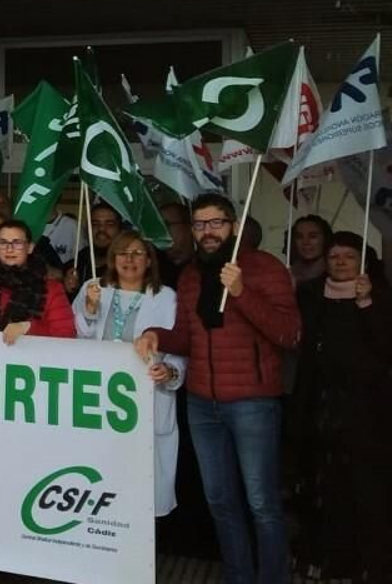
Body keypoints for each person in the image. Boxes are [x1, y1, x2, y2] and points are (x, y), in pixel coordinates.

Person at [134, 193, 300, 584]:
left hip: (252, 403)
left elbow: (290, 334)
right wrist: (154, 333)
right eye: (199, 224)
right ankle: (238, 575)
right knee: (220, 501)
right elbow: (190, 340)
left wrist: (242, 292)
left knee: (261, 503)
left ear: (234, 226)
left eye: (216, 223)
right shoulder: (192, 275)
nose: (208, 232)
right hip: (202, 403)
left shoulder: (265, 268)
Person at [288, 232, 390, 582]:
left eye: (349, 256)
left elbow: (385, 348)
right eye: (335, 256)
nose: (341, 262)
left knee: (366, 491)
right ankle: (328, 559)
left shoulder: (381, 297)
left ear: (363, 261)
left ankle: (369, 564)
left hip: (367, 415)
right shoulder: (311, 295)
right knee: (323, 490)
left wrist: (367, 304)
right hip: (319, 408)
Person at [73, 231, 185, 516]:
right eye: (122, 253)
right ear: (112, 258)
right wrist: (89, 309)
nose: (129, 259)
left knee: (142, 480)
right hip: (98, 399)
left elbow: (179, 343)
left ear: (149, 260)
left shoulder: (165, 297)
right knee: (100, 475)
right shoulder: (94, 288)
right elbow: (75, 339)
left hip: (145, 398)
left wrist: (171, 370)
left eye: (137, 253)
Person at [65, 201, 124, 296]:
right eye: (95, 224)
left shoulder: (128, 266)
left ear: (120, 230)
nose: (101, 229)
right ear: (87, 229)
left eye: (109, 224)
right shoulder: (75, 265)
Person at [157, 201, 195, 287]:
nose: (162, 232)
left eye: (167, 224)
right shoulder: (154, 269)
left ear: (188, 226)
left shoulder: (203, 268)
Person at [287, 213, 330, 286]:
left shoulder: (334, 274)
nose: (305, 242)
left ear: (325, 239)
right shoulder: (287, 274)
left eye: (313, 236)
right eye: (299, 237)